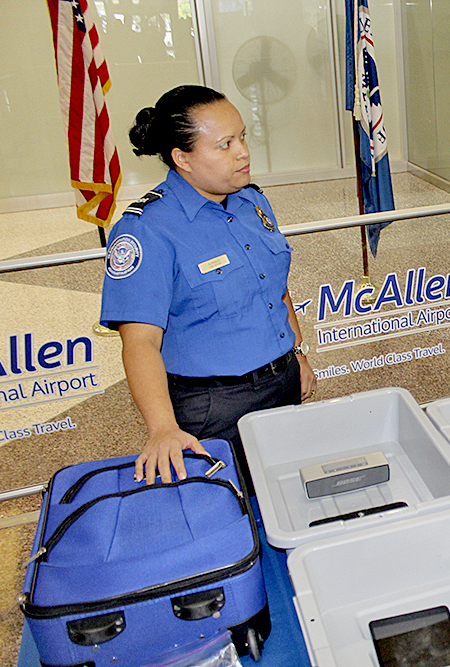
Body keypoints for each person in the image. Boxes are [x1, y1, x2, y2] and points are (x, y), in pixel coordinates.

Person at [100, 85, 317, 487]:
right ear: (182, 157)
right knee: (233, 505)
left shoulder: (252, 202)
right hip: (215, 407)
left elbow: (275, 289)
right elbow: (140, 342)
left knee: (287, 489)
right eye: (224, 145)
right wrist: (163, 428)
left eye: (243, 137)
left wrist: (298, 355)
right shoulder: (147, 228)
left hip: (282, 380)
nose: (243, 153)